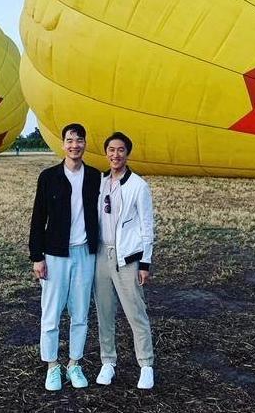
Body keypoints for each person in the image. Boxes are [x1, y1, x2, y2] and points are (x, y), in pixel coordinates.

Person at [28, 123, 100, 391]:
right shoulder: (48, 177)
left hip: (84, 253)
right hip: (55, 254)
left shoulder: (94, 177)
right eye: (70, 140)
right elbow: (38, 219)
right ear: (63, 144)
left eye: (79, 140)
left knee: (80, 312)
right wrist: (37, 256)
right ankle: (52, 367)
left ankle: (74, 363)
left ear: (85, 144)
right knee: (51, 314)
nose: (75, 145)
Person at [94, 131, 155, 390]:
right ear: (105, 153)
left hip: (127, 258)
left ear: (127, 153)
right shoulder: (99, 182)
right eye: (111, 150)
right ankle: (108, 362)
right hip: (100, 256)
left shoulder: (138, 186)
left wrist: (145, 262)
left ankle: (146, 365)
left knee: (135, 314)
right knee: (104, 313)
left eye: (120, 150)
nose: (115, 155)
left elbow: (146, 226)